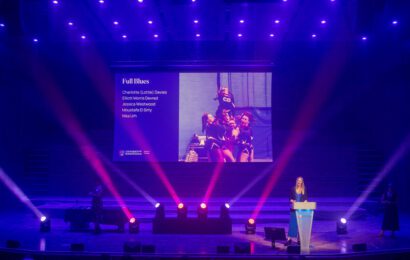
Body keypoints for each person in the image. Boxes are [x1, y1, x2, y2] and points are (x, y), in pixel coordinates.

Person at [287, 177, 308, 245]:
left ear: (302, 182)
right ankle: (289, 239)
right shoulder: (293, 188)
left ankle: (299, 240)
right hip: (294, 209)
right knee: (293, 224)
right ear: (297, 181)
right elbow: (290, 198)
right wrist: (292, 200)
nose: (299, 182)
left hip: (301, 209)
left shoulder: (304, 189)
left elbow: (306, 199)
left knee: (300, 225)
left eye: (300, 181)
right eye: (298, 180)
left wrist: (305, 202)